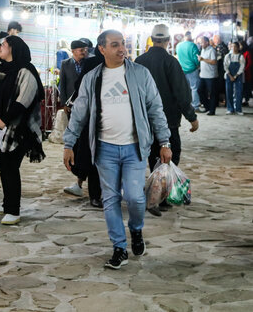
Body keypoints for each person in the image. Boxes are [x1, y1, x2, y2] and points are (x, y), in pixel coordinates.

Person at [63, 30, 172, 270]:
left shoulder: (140, 74)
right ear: (102, 49)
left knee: (135, 197)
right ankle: (119, 247)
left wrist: (164, 142)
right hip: (105, 150)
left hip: (134, 149)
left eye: (123, 44)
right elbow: (79, 113)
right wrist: (68, 143)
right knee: (110, 199)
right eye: (115, 45)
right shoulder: (92, 78)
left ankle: (135, 229)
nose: (122, 48)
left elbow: (156, 108)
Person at [136, 24, 199, 217]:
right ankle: (161, 197)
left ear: (151, 38)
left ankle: (156, 195)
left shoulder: (139, 61)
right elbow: (182, 93)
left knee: (152, 156)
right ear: (168, 40)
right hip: (168, 120)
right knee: (170, 156)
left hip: (144, 120)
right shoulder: (171, 63)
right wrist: (192, 117)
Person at [0, 36, 45, 225]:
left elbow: (23, 100)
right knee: (3, 166)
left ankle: (13, 210)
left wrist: (5, 119)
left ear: (12, 49)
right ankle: (6, 203)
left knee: (11, 167)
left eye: (3, 45)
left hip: (19, 129)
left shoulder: (25, 71)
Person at [66, 48, 105, 208]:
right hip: (92, 117)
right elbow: (80, 86)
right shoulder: (93, 65)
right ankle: (96, 194)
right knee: (95, 157)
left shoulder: (127, 67)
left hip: (107, 120)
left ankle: (96, 194)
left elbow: (77, 84)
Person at [59, 39, 89, 198]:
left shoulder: (89, 63)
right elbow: (62, 84)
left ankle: (81, 179)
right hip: (72, 106)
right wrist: (64, 102)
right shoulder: (66, 64)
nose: (83, 52)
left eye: (84, 49)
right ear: (73, 51)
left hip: (87, 107)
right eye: (79, 50)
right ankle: (79, 177)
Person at [176, 31, 201, 111]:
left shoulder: (178, 45)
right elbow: (196, 58)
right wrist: (197, 65)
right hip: (192, 69)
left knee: (184, 88)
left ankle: (185, 105)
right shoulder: (193, 45)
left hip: (182, 69)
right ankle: (195, 106)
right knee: (194, 88)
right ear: (190, 36)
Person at [197, 36, 218, 115]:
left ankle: (212, 110)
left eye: (202, 42)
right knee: (200, 90)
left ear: (207, 42)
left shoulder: (212, 50)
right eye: (200, 42)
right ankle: (207, 106)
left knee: (212, 93)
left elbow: (214, 62)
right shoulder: (202, 49)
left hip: (211, 76)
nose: (201, 44)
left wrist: (203, 59)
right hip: (203, 75)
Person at [224, 41, 246, 115]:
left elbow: (242, 67)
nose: (233, 48)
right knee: (228, 91)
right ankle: (230, 108)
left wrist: (236, 75)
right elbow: (225, 66)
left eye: (235, 46)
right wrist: (230, 75)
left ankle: (238, 109)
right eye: (232, 46)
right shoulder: (228, 56)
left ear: (238, 48)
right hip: (229, 75)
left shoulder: (241, 57)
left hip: (238, 75)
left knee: (239, 92)